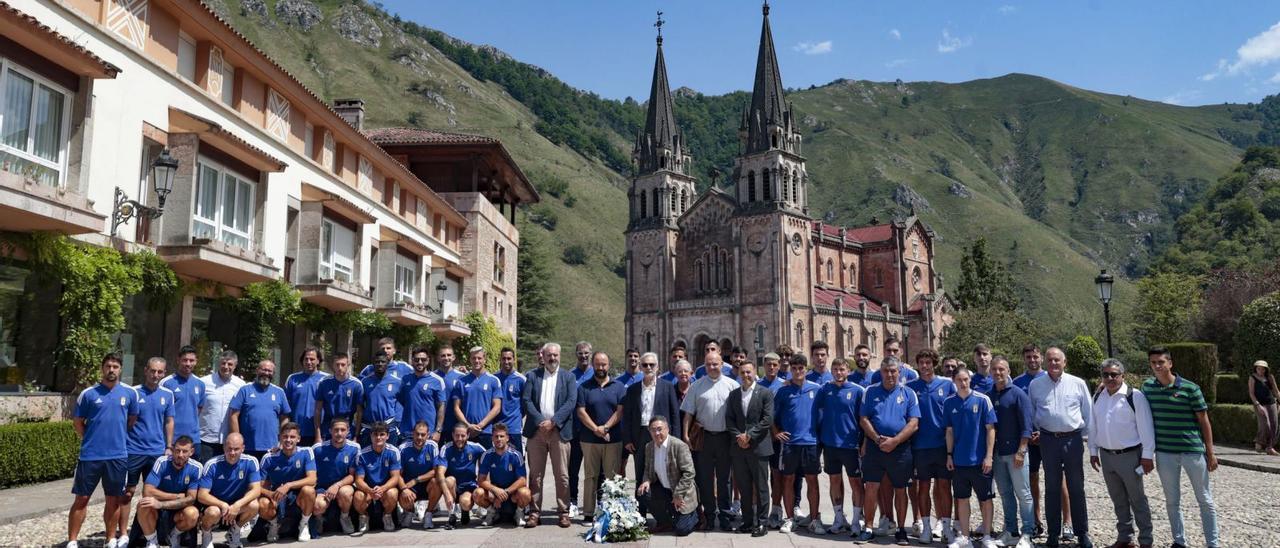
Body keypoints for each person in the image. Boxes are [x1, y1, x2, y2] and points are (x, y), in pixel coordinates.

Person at [1143, 346, 1220, 548]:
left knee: (1204, 499)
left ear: (1170, 363)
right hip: (1165, 452)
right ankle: (1179, 541)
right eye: (1154, 362)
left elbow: (1204, 421)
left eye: (1161, 362)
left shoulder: (1190, 388)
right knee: (1172, 501)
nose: (1158, 366)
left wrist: (1210, 452)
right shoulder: (1147, 388)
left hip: (1192, 452)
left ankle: (1213, 543)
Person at [68, 353, 140, 548]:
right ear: (102, 368)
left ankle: (110, 539)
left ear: (120, 369)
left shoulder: (130, 394)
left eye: (115, 366)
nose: (111, 370)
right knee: (82, 498)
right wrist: (91, 439)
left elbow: (131, 420)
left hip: (117, 456)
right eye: (108, 366)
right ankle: (73, 541)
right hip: (90, 456)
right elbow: (77, 422)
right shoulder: (89, 394)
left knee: (114, 499)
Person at [1028, 347, 1094, 548]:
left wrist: (1089, 444)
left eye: (1057, 360)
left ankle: (1081, 533)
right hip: (1048, 441)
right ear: (1045, 362)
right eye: (1050, 360)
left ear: (1064, 362)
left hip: (1072, 441)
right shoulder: (1036, 385)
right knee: (1051, 487)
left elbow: (1088, 413)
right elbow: (1032, 412)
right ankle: (1053, 533)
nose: (1053, 363)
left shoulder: (1077, 383)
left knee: (1076, 487)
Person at [1089, 358, 1155, 548]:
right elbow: (1094, 426)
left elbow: (1146, 427)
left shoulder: (1134, 397)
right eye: (1106, 374)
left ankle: (1146, 541)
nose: (1110, 378)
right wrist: (1093, 451)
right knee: (1118, 499)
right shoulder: (1098, 397)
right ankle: (1125, 537)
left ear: (1122, 376)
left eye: (1114, 374)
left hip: (1130, 456)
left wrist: (1147, 456)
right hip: (1107, 456)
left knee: (1138, 500)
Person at [855, 358, 920, 545]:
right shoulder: (870, 391)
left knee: (901, 490)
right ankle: (868, 528)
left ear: (899, 372)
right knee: (871, 488)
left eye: (893, 371)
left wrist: (896, 440)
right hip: (876, 448)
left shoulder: (909, 393)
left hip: (900, 449)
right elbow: (863, 418)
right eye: (886, 371)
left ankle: (900, 530)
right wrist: (876, 439)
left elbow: (914, 422)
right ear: (881, 372)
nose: (890, 375)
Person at [680, 348, 740, 531]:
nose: (712, 367)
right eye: (709, 364)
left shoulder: (732, 385)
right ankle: (708, 515)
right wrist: (685, 435)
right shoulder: (697, 386)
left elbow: (739, 414)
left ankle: (725, 516)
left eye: (715, 364)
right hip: (704, 438)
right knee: (705, 479)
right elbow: (688, 413)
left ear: (722, 364)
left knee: (725, 479)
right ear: (704, 366)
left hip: (724, 438)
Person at [520, 342, 578, 528]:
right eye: (549, 355)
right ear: (542, 356)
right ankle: (535, 512)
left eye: (555, 355)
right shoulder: (532, 376)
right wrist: (540, 421)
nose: (552, 358)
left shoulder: (568, 377)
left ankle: (563, 512)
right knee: (535, 475)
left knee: (562, 475)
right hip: (536, 432)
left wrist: (553, 422)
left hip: (559, 432)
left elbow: (571, 402)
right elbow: (527, 400)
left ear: (559, 356)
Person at [119, 358, 175, 548]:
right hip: (133, 450)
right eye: (152, 371)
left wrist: (169, 446)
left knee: (154, 495)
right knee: (127, 493)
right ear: (145, 370)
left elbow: (169, 421)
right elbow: (125, 421)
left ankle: (151, 535)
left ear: (164, 373)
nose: (156, 375)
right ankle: (124, 535)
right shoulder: (132, 392)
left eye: (160, 372)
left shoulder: (167, 395)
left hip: (157, 452)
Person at [622, 351, 682, 518]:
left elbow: (675, 414)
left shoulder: (667, 387)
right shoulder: (633, 389)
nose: (648, 368)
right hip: (640, 435)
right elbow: (627, 416)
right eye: (645, 365)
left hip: (662, 436)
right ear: (640, 367)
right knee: (641, 472)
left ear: (658, 367)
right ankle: (640, 514)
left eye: (651, 365)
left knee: (665, 471)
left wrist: (675, 439)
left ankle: (668, 513)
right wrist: (627, 439)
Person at [944, 368, 999, 548]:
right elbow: (949, 431)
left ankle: (987, 536)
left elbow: (990, 429)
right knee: (962, 499)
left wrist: (989, 456)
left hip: (980, 461)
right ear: (954, 381)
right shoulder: (949, 403)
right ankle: (965, 538)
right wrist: (949, 455)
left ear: (970, 380)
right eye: (959, 380)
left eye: (966, 379)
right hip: (960, 461)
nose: (963, 383)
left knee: (986, 499)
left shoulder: (983, 400)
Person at [906, 348, 956, 545]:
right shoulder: (910, 387)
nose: (925, 366)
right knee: (922, 487)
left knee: (944, 487)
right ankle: (926, 527)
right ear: (917, 365)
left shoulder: (947, 385)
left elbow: (954, 415)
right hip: (920, 446)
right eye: (921, 363)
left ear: (934, 364)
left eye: (928, 362)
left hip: (943, 446)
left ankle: (946, 527)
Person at [988, 355, 1035, 548]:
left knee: (1023, 494)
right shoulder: (988, 395)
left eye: (1001, 369)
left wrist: (1022, 451)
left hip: (1016, 453)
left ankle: (1027, 533)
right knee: (1005, 493)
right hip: (998, 454)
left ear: (1008, 371)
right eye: (995, 369)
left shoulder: (1017, 394)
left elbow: (1027, 426)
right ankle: (1011, 531)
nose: (998, 373)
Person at [816, 357, 865, 536]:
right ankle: (838, 518)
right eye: (835, 369)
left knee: (856, 483)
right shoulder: (825, 390)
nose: (838, 372)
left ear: (848, 371)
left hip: (851, 445)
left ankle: (856, 519)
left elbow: (864, 419)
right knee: (834, 481)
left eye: (842, 369)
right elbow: (817, 410)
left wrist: (863, 442)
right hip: (830, 444)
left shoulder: (858, 391)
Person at [773, 354, 822, 534]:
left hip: (810, 442)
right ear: (790, 370)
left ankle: (815, 518)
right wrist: (776, 432)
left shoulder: (817, 389)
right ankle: (790, 518)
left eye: (801, 368)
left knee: (812, 480)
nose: (798, 371)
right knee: (788, 479)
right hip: (790, 443)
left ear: (806, 369)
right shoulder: (783, 391)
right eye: (794, 368)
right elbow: (772, 416)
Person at [576, 351, 626, 522]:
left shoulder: (618, 386)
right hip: (589, 440)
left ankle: (611, 511)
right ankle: (589, 513)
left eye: (603, 364)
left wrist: (605, 427)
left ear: (609, 365)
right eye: (597, 364)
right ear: (593, 365)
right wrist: (595, 429)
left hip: (613, 439)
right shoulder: (584, 387)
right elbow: (581, 412)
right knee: (591, 476)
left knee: (612, 476)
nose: (600, 367)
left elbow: (620, 411)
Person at [726, 360, 775, 537]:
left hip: (759, 447)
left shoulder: (765, 393)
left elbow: (767, 419)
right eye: (742, 373)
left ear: (754, 373)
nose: (745, 375)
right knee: (744, 486)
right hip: (739, 448)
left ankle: (762, 523)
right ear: (738, 374)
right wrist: (739, 436)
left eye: (748, 372)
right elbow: (729, 419)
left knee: (761, 486)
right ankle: (747, 521)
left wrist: (749, 435)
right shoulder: (733, 395)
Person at [1014, 343, 1053, 539]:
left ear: (1041, 358)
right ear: (1024, 359)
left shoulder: (1050, 378)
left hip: (1049, 436)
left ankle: (1067, 522)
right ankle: (1037, 520)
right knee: (1032, 479)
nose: (1032, 360)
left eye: (1035, 356)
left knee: (1058, 480)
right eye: (1028, 357)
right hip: (1028, 439)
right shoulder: (1017, 382)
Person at [636, 416, 699, 536]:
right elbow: (647, 470)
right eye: (653, 430)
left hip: (682, 492)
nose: (656, 433)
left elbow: (689, 473)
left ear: (667, 429)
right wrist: (646, 481)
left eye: (659, 429)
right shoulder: (649, 447)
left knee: (682, 530)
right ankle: (665, 522)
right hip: (664, 490)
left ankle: (695, 515)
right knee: (643, 492)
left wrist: (678, 494)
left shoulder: (679, 446)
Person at [196, 433, 261, 548]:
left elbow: (256, 490)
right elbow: (201, 495)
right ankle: (206, 535)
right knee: (213, 512)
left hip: (237, 507)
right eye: (229, 449)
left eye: (236, 449)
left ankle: (234, 531)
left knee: (254, 505)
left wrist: (237, 505)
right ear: (224, 447)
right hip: (216, 505)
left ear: (243, 448)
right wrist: (222, 504)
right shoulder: (212, 464)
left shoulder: (251, 461)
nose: (232, 453)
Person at [136, 436, 202, 548]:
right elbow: (147, 491)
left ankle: (174, 535)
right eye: (177, 450)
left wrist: (162, 503)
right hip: (158, 508)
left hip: (179, 509)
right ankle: (152, 540)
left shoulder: (196, 467)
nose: (180, 455)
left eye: (185, 451)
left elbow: (191, 499)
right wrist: (176, 496)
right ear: (172, 450)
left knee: (193, 514)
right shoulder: (162, 462)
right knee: (143, 504)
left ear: (191, 452)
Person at [257, 422, 318, 543]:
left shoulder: (307, 452)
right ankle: (274, 526)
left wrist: (288, 485)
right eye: (285, 437)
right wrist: (270, 494)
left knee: (309, 490)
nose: (288, 440)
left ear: (298, 439)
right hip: (277, 495)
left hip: (298, 494)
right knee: (263, 503)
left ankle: (304, 524)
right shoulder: (269, 457)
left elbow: (312, 479)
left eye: (292, 437)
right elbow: (257, 487)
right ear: (280, 438)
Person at [229, 359, 292, 460]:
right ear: (257, 370)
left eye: (269, 371)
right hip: (247, 447)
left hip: (272, 448)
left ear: (273, 373)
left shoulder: (279, 392)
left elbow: (284, 418)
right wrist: (237, 441)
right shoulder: (244, 390)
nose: (266, 373)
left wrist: (282, 441)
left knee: (269, 476)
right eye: (264, 370)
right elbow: (233, 416)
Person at [475, 423, 533, 525]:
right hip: (495, 495)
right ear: (492, 438)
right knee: (478, 493)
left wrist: (505, 492)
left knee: (525, 493)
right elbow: (481, 480)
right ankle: (492, 512)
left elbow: (523, 480)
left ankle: (519, 513)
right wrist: (496, 490)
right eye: (496, 436)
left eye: (502, 436)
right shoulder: (487, 455)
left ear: (507, 438)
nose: (499, 439)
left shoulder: (516, 455)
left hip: (512, 495)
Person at [311, 419, 360, 535]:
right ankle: (319, 519)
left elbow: (352, 476)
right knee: (318, 505)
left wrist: (337, 485)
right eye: (336, 430)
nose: (339, 433)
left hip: (342, 485)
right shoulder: (318, 449)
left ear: (348, 431)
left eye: (343, 430)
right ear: (330, 431)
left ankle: (344, 517)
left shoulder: (355, 448)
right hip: (322, 488)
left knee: (346, 493)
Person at [353, 423, 402, 534]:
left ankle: (387, 516)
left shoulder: (394, 452)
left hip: (385, 488)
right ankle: (363, 517)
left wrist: (382, 489)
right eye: (375, 434)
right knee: (358, 496)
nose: (378, 437)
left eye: (382, 434)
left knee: (392, 493)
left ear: (388, 436)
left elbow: (395, 477)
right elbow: (358, 480)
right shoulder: (362, 454)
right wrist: (370, 491)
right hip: (368, 489)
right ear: (371, 436)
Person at [566, 341, 596, 519]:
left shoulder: (597, 373)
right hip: (575, 429)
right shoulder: (570, 375)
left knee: (593, 470)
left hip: (592, 429)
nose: (583, 356)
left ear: (590, 354)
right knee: (573, 469)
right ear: (576, 354)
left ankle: (594, 501)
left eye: (586, 353)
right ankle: (573, 501)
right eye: (580, 353)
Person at [199, 351, 246, 462]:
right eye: (223, 363)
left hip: (229, 441)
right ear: (218, 364)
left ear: (235, 366)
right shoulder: (203, 382)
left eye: (230, 364)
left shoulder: (241, 385)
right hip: (206, 439)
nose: (226, 367)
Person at [453, 347, 503, 448]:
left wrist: (480, 426)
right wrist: (468, 425)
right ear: (470, 359)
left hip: (486, 432)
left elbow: (497, 407)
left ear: (484, 359)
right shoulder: (461, 381)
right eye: (474, 358)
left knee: (486, 463)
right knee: (466, 463)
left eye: (479, 358)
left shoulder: (493, 380)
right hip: (465, 432)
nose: (477, 361)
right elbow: (456, 407)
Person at [439, 423, 486, 528]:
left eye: (463, 436)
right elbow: (440, 472)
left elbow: (490, 457)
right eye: (457, 435)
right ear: (452, 435)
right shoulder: (446, 448)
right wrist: (446, 494)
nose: (459, 439)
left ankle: (465, 511)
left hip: (468, 487)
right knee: (448, 480)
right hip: (453, 487)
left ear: (468, 435)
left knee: (465, 502)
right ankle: (452, 514)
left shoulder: (476, 447)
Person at [397, 421, 443, 529]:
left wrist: (416, 480)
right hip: (410, 487)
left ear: (428, 435)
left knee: (437, 482)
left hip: (426, 485)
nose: (420, 437)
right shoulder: (403, 448)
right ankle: (409, 512)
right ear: (413, 433)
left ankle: (428, 514)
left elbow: (436, 471)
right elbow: (397, 474)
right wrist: (404, 489)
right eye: (417, 434)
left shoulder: (433, 446)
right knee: (399, 488)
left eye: (423, 435)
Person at [162, 346, 205, 456]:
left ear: (196, 362)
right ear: (178, 360)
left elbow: (199, 408)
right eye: (185, 360)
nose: (188, 363)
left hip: (194, 440)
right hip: (172, 440)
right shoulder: (166, 383)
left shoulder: (200, 384)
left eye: (191, 360)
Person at [398, 347, 446, 445]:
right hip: (407, 432)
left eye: (423, 360)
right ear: (412, 361)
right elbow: (402, 401)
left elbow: (441, 407)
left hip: (428, 434)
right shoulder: (405, 379)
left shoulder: (437, 380)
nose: (420, 362)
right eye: (416, 360)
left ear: (428, 360)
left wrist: (438, 431)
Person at [314, 353, 363, 442]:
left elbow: (359, 412)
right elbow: (318, 410)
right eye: (337, 365)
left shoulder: (356, 384)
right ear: (333, 365)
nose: (340, 367)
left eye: (343, 365)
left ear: (348, 365)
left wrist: (356, 436)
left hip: (347, 429)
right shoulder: (323, 383)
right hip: (328, 427)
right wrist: (318, 435)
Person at [286, 347, 330, 447]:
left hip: (320, 433)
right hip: (296, 431)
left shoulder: (326, 379)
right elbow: (286, 408)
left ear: (318, 360)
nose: (309, 362)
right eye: (306, 359)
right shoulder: (292, 379)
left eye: (312, 359)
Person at [358, 350, 402, 446]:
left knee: (389, 458)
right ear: (373, 363)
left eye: (383, 362)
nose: (380, 364)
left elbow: (404, 403)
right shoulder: (365, 382)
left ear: (387, 363)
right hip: (370, 428)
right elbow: (360, 407)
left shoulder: (397, 382)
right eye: (377, 362)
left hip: (389, 428)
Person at [496, 347, 527, 452]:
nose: (506, 361)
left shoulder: (521, 380)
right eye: (503, 358)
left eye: (509, 358)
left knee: (517, 461)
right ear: (500, 360)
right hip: (497, 428)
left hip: (514, 428)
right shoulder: (494, 379)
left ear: (514, 359)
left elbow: (525, 405)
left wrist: (516, 417)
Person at [1248, 360, 1280, 455]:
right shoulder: (1252, 377)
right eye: (1259, 368)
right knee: (1265, 424)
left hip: (1271, 402)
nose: (1261, 371)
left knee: (1274, 425)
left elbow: (1276, 391)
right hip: (1260, 404)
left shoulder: (1270, 377)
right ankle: (1259, 441)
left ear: (1266, 369)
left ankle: (1270, 447)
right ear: (1256, 369)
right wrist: (1258, 405)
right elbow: (1251, 393)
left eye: (1263, 369)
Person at [435, 345, 465, 435]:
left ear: (453, 357)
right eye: (443, 355)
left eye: (449, 355)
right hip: (435, 426)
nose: (446, 358)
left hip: (456, 426)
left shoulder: (462, 377)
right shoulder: (432, 377)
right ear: (438, 358)